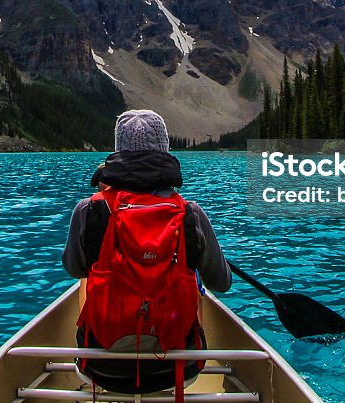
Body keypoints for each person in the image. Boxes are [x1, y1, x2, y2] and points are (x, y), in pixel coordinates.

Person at [62, 109, 231, 394]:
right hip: (180, 369)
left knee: (87, 276)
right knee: (194, 279)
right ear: (164, 149)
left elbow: (74, 268)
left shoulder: (88, 209)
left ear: (118, 151)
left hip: (102, 369)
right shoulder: (189, 213)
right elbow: (222, 283)